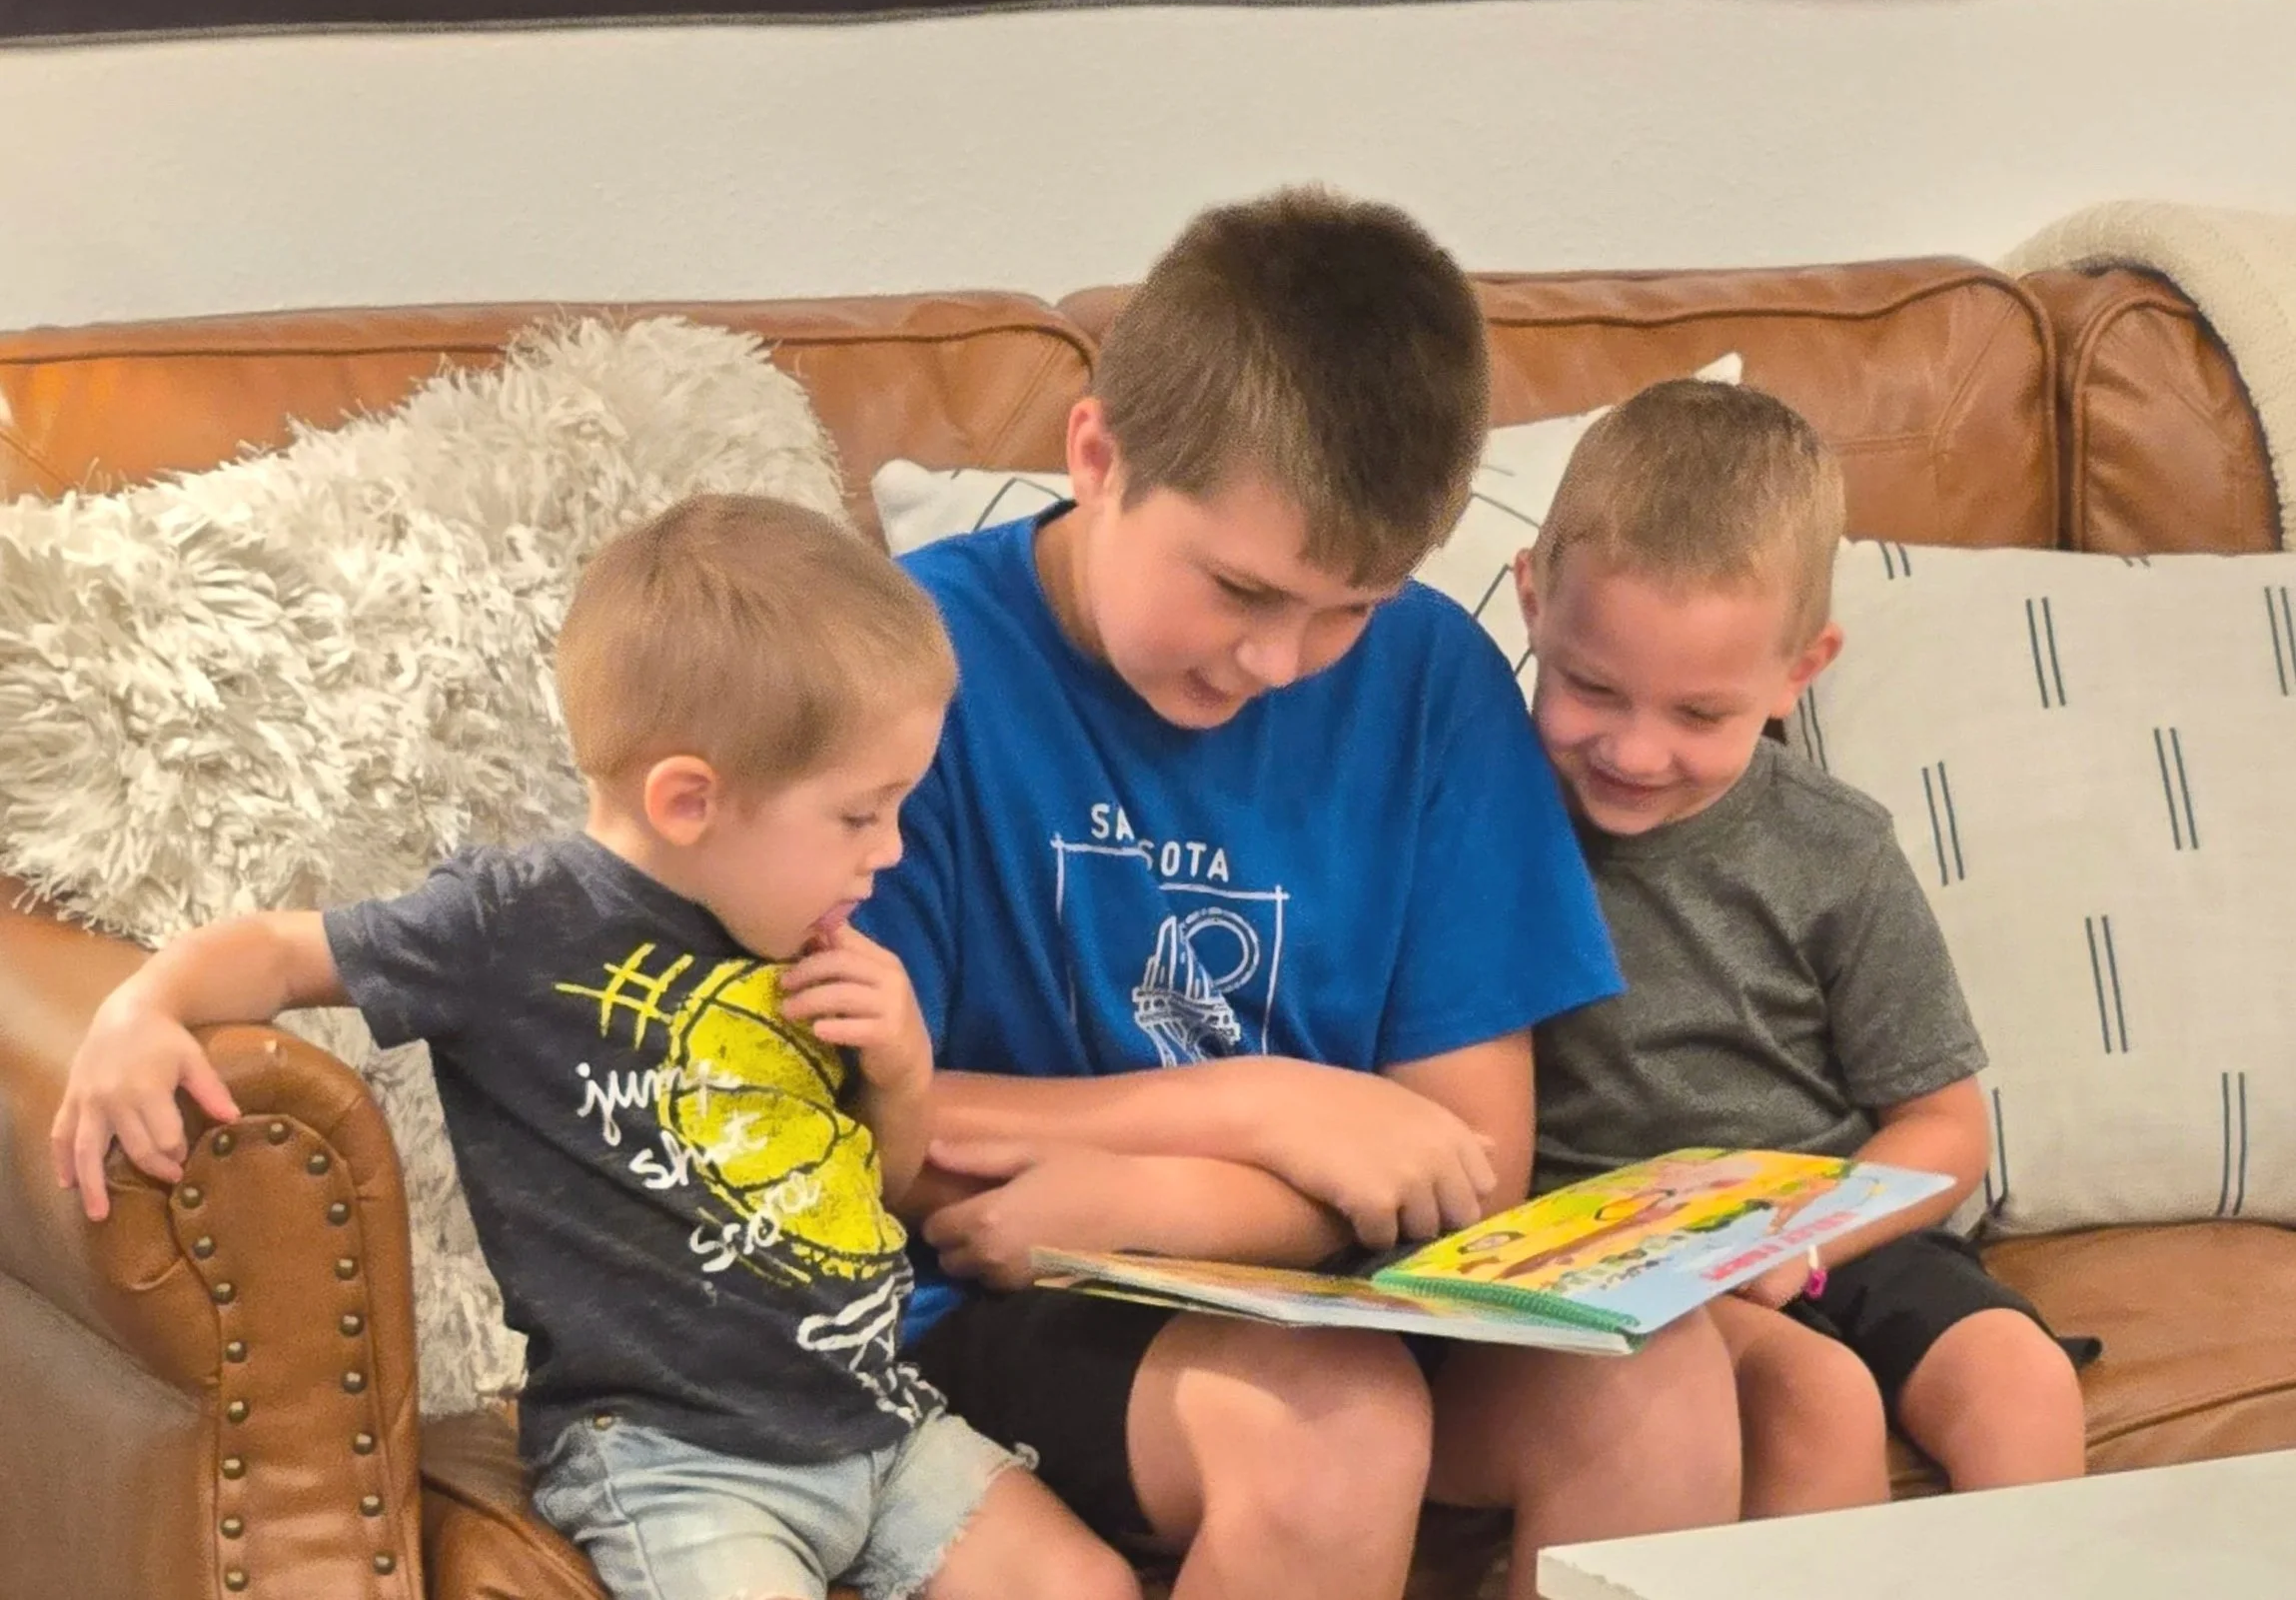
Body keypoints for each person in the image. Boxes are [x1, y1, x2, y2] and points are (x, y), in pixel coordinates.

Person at [857, 188, 1743, 1600]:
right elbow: (870, 1131)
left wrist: (1161, 1196)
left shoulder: (1434, 685)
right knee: (1331, 1430)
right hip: (996, 1295)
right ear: (1097, 453)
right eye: (1236, 589)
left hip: (1303, 1267)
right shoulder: (902, 667)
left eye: (1350, 604)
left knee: (1662, 1374)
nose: (1277, 661)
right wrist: (1271, 1105)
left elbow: (1465, 1161)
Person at [51, 494, 1140, 1600]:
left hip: (882, 1422)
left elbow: (879, 1191)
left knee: (1085, 1583)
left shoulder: (813, 943)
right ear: (688, 799)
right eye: (861, 814)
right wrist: (144, 1007)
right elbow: (283, 953)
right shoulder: (511, 925)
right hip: (681, 1459)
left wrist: (901, 1067)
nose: (891, 851)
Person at [1512, 379, 2093, 1515]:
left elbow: (1946, 1127)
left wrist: (1804, 1233)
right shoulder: (1473, 816)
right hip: (1618, 1252)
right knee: (1815, 1397)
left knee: (2021, 1378)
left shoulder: (1835, 847)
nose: (1634, 749)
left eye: (1699, 714)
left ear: (1801, 669)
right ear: (1533, 599)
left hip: (1830, 1218)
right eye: (1590, 686)